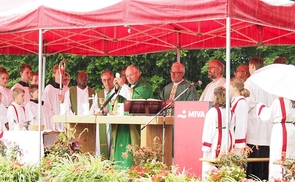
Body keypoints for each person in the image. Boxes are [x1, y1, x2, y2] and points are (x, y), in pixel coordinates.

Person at [112, 65, 153, 169]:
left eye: (131, 75)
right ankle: (119, 170)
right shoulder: (127, 87)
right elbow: (112, 100)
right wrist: (117, 88)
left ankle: (132, 170)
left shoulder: (145, 86)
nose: (129, 78)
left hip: (136, 125)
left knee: (133, 149)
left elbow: (136, 98)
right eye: (127, 76)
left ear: (138, 73)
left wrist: (123, 86)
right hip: (123, 124)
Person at [244, 56, 277, 180]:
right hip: (269, 128)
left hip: (255, 129)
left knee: (254, 164)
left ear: (252, 66)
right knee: (266, 163)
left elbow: (247, 104)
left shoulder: (250, 81)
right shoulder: (270, 82)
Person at [256, 97, 295, 180]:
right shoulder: (293, 100)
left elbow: (268, 116)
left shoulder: (280, 101)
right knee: (290, 157)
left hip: (281, 130)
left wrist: (260, 106)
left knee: (279, 157)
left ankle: (279, 178)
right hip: (291, 129)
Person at [201, 86, 234, 180]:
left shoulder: (212, 112)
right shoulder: (230, 112)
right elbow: (232, 129)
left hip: (215, 139)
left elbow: (208, 129)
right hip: (227, 139)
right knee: (225, 164)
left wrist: (206, 146)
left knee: (210, 165)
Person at [97, 70, 117, 159]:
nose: (107, 82)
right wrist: (100, 111)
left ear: (113, 79)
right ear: (101, 81)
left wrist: (109, 111)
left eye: (109, 79)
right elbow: (93, 110)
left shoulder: (118, 92)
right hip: (102, 126)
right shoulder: (98, 94)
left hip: (115, 125)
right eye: (104, 80)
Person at [42, 65, 67, 131]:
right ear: (54, 74)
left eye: (62, 73)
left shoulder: (67, 89)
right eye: (59, 73)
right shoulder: (49, 89)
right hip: (52, 121)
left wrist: (64, 100)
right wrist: (53, 119)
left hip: (64, 120)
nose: (61, 75)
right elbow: (46, 105)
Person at [230, 78, 250, 149]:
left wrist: (239, 143)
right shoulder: (235, 101)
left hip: (238, 141)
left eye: (229, 87)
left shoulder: (241, 103)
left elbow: (241, 124)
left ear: (235, 88)